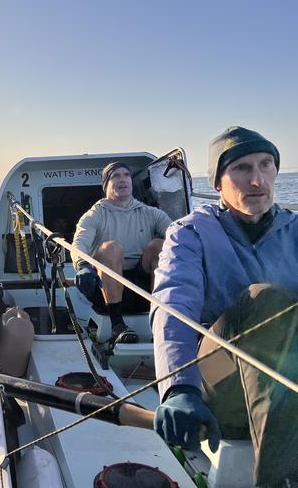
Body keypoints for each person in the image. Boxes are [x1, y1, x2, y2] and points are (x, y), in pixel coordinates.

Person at [151, 126, 298, 486]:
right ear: (218, 183)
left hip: (288, 379)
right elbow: (174, 303)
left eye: (265, 165)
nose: (257, 180)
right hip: (218, 382)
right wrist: (179, 388)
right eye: (242, 169)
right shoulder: (190, 233)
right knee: (266, 300)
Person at [72, 161, 172, 344]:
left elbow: (178, 236)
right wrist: (82, 265)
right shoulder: (95, 215)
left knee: (159, 245)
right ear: (106, 185)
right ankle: (117, 326)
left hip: (142, 289)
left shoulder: (152, 214)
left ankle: (161, 323)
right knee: (111, 247)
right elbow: (79, 243)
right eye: (115, 176)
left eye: (126, 175)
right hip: (105, 290)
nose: (122, 179)